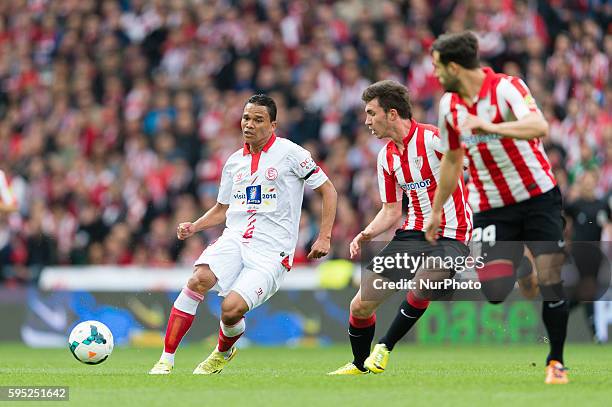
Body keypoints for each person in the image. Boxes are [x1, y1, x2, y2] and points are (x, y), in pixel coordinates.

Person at [149, 94, 337, 375]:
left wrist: (324, 237)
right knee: (199, 278)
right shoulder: (234, 162)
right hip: (235, 238)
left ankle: (222, 351)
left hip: (272, 252)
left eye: (258, 120)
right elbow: (222, 208)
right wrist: (195, 226)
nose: (249, 124)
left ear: (273, 125)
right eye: (246, 118)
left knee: (231, 309)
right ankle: (166, 358)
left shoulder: (291, 154)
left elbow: (328, 190)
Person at [426, 31, 569, 384]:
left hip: (538, 196)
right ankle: (521, 265)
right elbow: (452, 160)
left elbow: (540, 126)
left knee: (551, 280)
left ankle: (556, 363)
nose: (435, 74)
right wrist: (435, 210)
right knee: (494, 292)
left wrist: (489, 125)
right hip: (491, 206)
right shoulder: (449, 106)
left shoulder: (506, 87)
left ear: (454, 67)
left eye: (437, 67)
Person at [328, 80, 472, 375]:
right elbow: (391, 209)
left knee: (424, 282)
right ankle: (358, 365)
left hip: (453, 230)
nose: (367, 121)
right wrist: (367, 232)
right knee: (360, 305)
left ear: (392, 114)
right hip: (413, 232)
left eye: (371, 113)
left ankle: (385, 347)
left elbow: (464, 164)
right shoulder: (386, 157)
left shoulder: (433, 139)